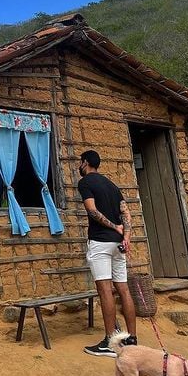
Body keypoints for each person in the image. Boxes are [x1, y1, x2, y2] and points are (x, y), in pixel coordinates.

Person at [77, 149, 137, 357]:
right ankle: (131, 339)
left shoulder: (85, 183)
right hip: (118, 244)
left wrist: (113, 226)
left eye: (81, 162)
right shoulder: (112, 185)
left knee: (105, 291)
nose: (80, 165)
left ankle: (110, 343)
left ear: (85, 163)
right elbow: (126, 213)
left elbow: (92, 211)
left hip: (100, 242)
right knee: (124, 290)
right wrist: (126, 236)